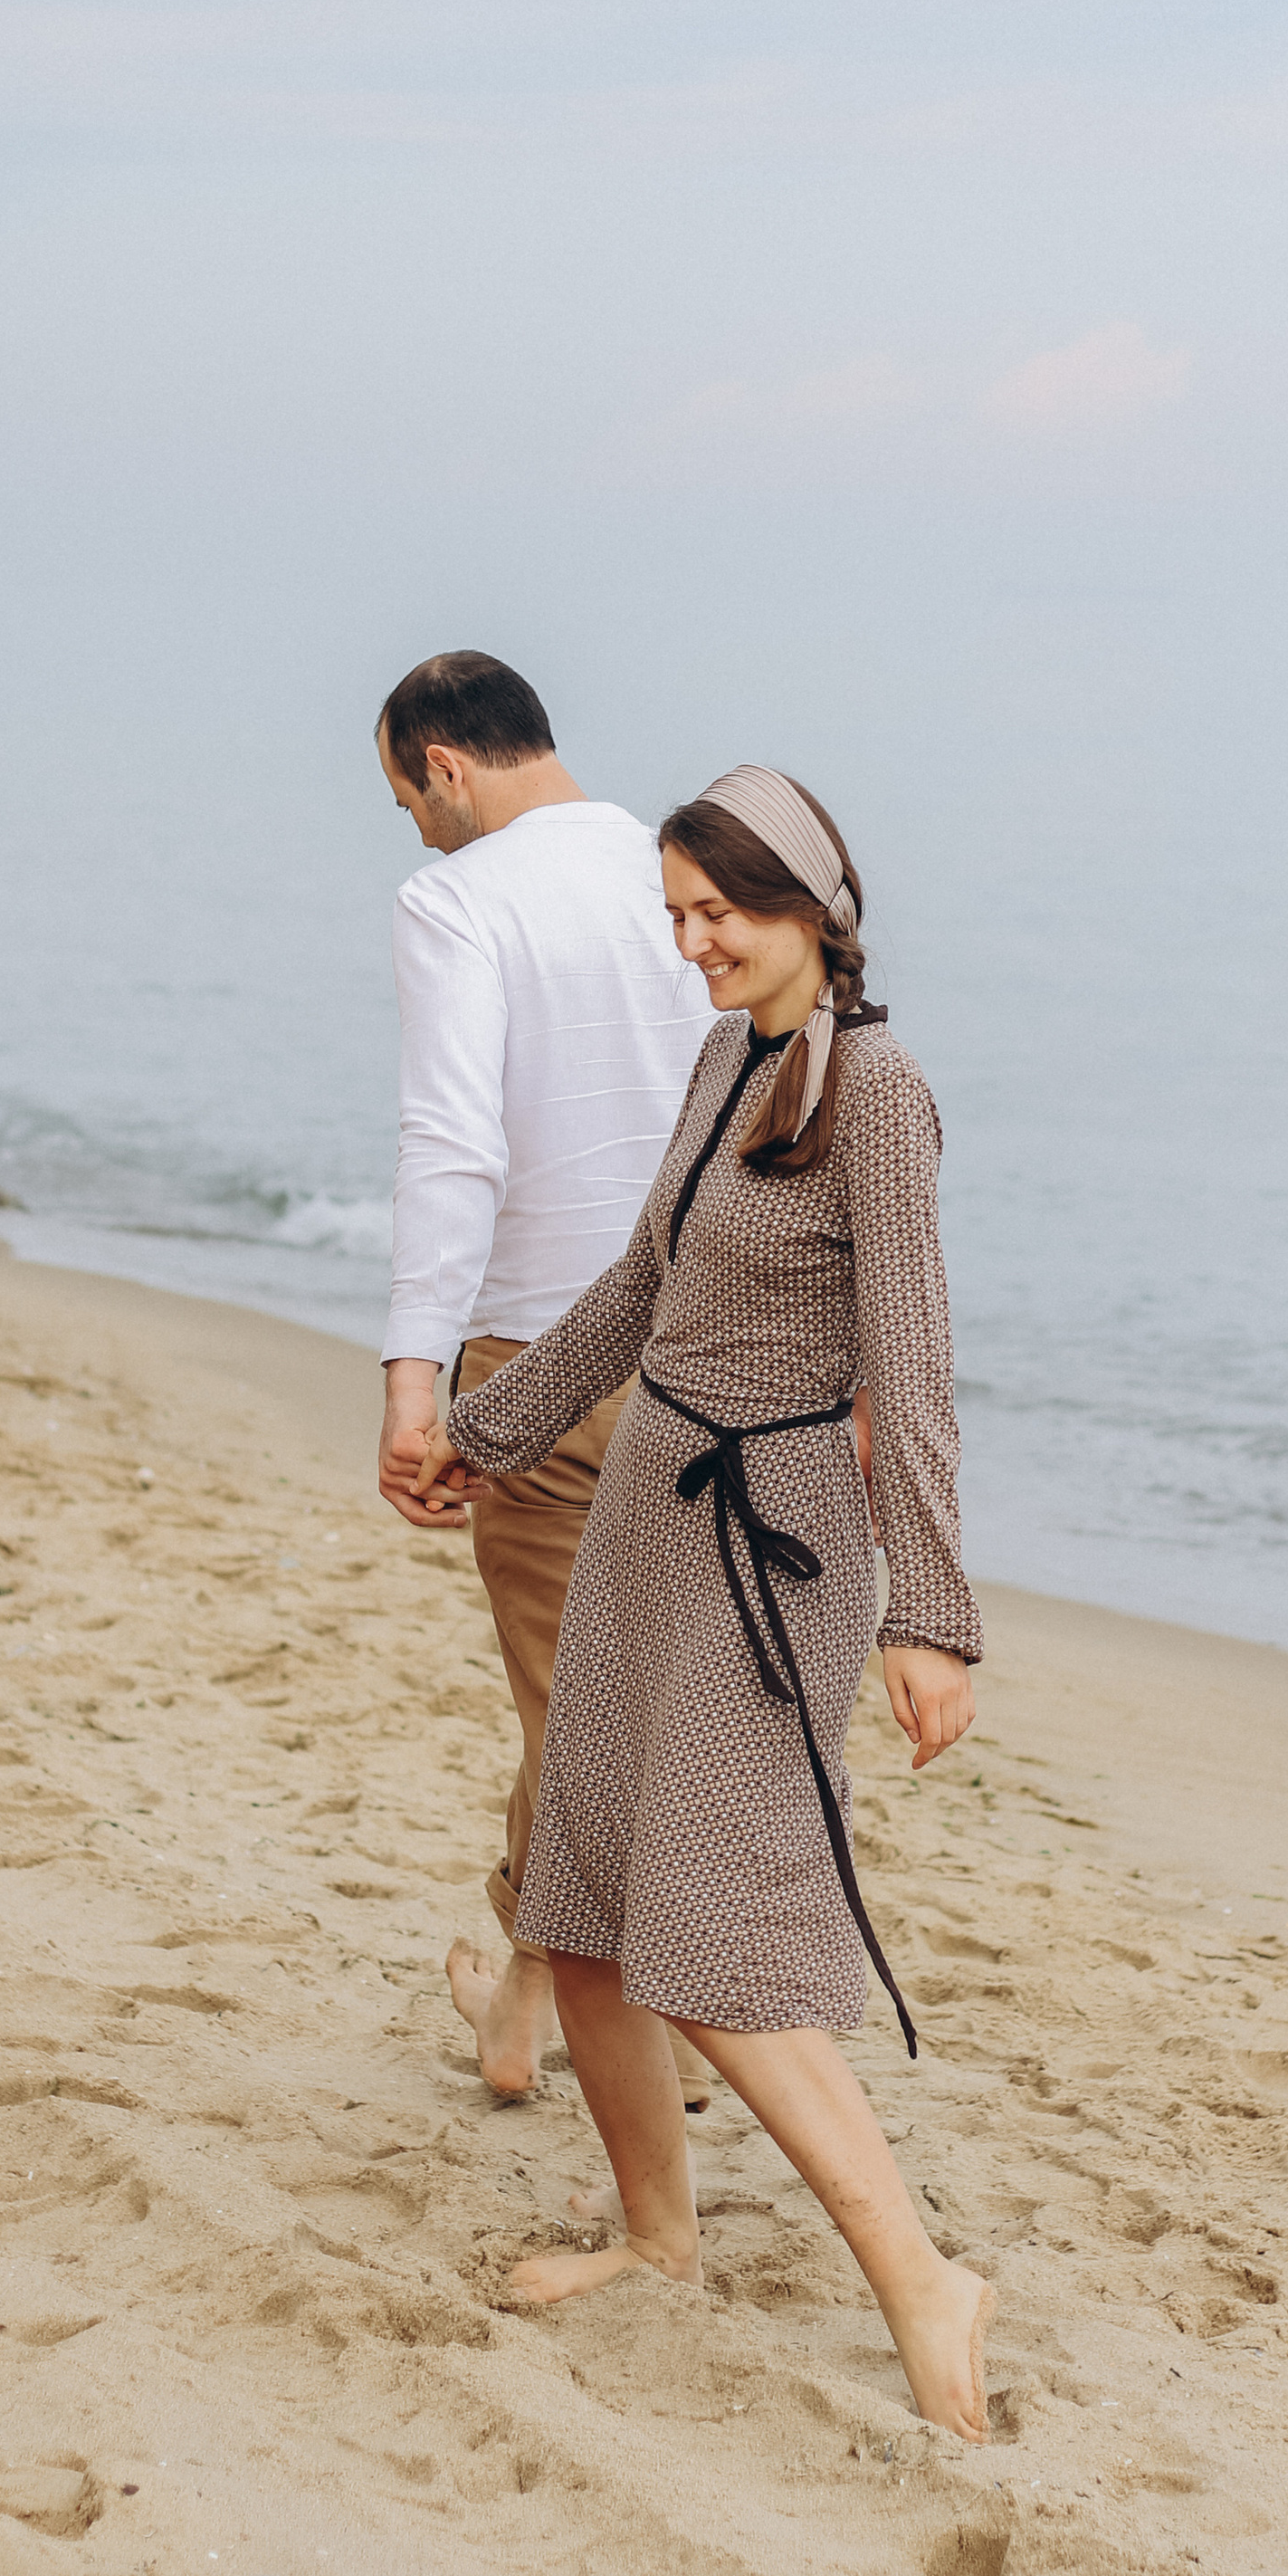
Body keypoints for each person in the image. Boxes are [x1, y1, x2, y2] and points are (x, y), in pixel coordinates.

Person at [408, 765, 992, 2440]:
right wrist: (487, 1434)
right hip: (650, 1514)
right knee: (583, 1899)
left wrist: (931, 1613)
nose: (692, 944)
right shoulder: (729, 1054)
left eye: (717, 914)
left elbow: (915, 1365)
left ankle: (922, 2279)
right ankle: (658, 2237)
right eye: (675, 915)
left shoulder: (879, 1097)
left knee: (714, 1946)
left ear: (814, 906)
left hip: (777, 1545)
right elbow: (643, 1285)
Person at [369, 649, 711, 2102]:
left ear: (444, 765)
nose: (412, 828)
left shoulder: (459, 898)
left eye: (404, 796)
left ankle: (670, 2022)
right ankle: (527, 2004)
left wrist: (413, 1379)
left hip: (546, 1365)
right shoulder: (688, 880)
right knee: (657, 1706)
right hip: (715, 1352)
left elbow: (453, 1145)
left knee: (576, 1715)